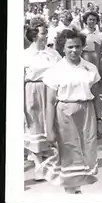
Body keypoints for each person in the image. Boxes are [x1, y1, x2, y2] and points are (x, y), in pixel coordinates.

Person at [41, 29, 101, 194]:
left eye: (77, 46)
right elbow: (50, 102)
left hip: (87, 111)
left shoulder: (90, 68)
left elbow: (96, 96)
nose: (74, 50)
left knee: (87, 151)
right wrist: (49, 130)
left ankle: (77, 187)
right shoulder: (55, 71)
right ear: (62, 48)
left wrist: (98, 119)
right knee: (69, 151)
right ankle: (71, 190)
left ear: (82, 47)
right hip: (65, 112)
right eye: (70, 47)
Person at [24, 20, 62, 181]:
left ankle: (52, 162)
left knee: (53, 125)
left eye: (47, 33)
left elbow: (63, 69)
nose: (46, 36)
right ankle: (38, 164)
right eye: (43, 33)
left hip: (52, 91)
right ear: (34, 36)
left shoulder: (52, 53)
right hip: (34, 91)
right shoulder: (24, 55)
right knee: (35, 126)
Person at [81, 11, 102, 139]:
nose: (92, 22)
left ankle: (97, 125)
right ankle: (86, 127)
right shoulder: (82, 34)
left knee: (96, 95)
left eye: (94, 20)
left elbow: (99, 52)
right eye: (90, 20)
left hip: (95, 62)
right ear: (85, 21)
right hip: (85, 61)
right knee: (85, 94)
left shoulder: (99, 35)